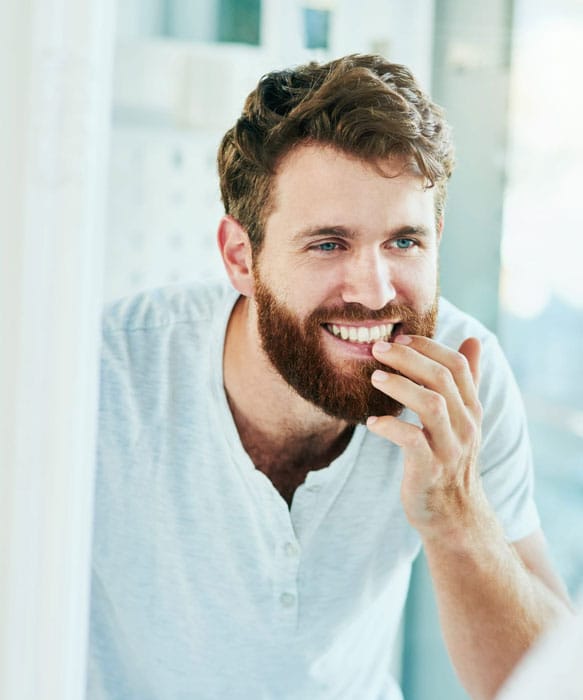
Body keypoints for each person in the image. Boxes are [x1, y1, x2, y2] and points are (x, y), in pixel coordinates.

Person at [88, 54, 571, 700]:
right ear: (240, 257)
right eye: (328, 244)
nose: (374, 293)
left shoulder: (461, 379)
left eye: (403, 242)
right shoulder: (104, 375)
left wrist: (457, 514)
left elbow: (550, 687)